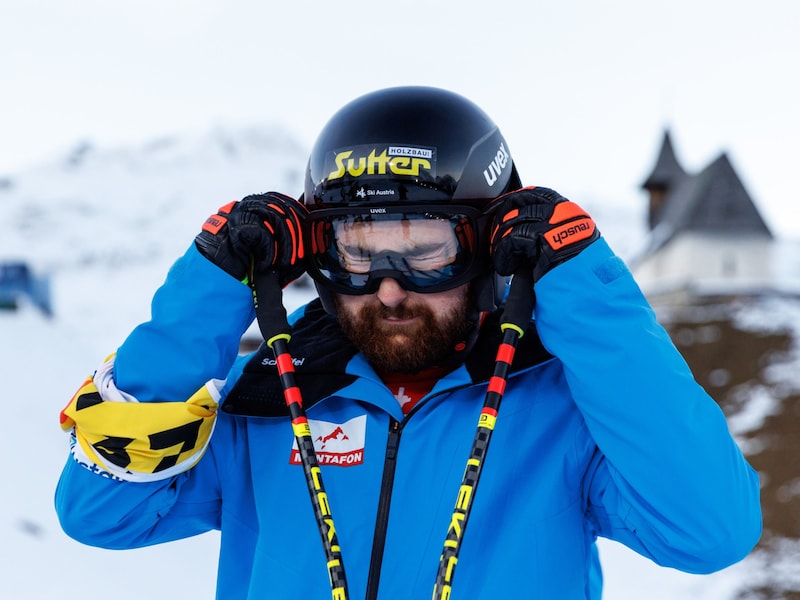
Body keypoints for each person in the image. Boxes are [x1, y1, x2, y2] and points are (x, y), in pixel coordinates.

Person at [56, 86, 761, 599]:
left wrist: (577, 282)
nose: (389, 289)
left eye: (426, 251)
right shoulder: (266, 404)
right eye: (359, 253)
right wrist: (211, 286)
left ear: (488, 248)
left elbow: (709, 531)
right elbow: (99, 512)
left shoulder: (562, 411)